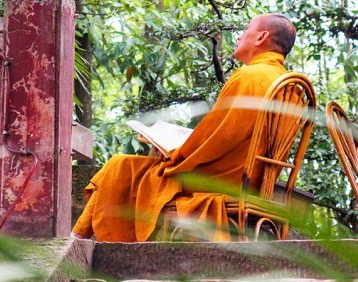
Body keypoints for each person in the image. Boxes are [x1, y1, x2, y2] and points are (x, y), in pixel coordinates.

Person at [72, 13, 298, 242]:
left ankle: (81, 241)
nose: (240, 36)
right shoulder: (291, 86)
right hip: (252, 180)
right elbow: (228, 135)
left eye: (246, 29)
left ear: (261, 37)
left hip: (219, 180)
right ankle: (82, 239)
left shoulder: (251, 76)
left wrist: (174, 154)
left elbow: (218, 138)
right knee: (125, 168)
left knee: (120, 166)